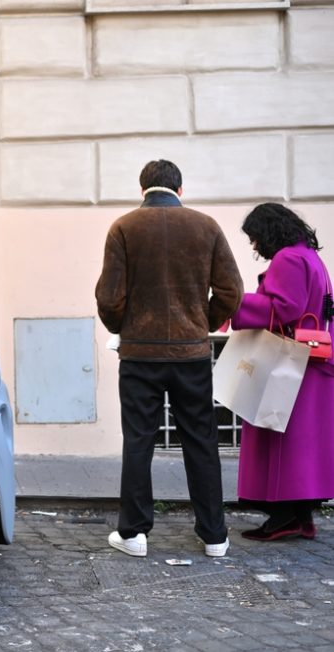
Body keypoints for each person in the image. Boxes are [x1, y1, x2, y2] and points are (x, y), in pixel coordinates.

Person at [96, 159, 243, 558]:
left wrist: (123, 328)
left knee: (139, 441)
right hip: (191, 352)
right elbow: (232, 292)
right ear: (180, 189)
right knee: (201, 440)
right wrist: (202, 321)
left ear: (142, 187)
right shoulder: (206, 226)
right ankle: (214, 536)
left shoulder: (124, 228)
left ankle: (134, 533)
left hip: (140, 355)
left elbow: (109, 299)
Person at [230, 203, 334, 541]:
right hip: (312, 359)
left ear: (269, 232)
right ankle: (302, 518)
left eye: (256, 238)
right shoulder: (309, 256)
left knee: (278, 438)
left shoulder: (288, 258)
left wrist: (235, 301)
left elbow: (283, 308)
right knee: (301, 444)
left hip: (290, 361)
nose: (255, 246)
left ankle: (283, 517)